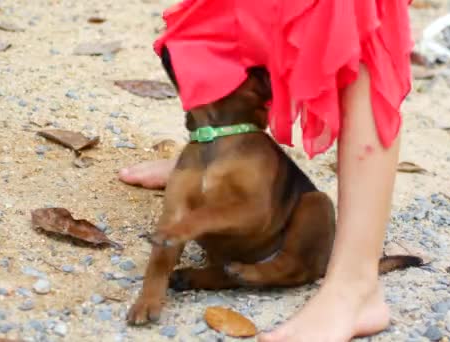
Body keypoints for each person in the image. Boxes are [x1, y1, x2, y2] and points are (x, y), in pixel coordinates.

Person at [120, 0, 413, 340]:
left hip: (277, 229)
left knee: (354, 26)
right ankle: (209, 151)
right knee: (217, 21)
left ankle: (355, 286)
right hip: (229, 169)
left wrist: (191, 223)